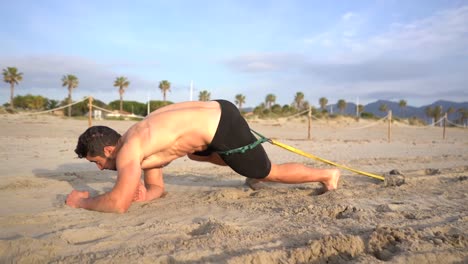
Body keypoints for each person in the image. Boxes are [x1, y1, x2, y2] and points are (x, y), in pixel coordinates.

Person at [66, 100, 340, 213]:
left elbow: (117, 204)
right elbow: (157, 186)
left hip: (221, 125)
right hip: (217, 111)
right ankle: (247, 165)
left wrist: (83, 201)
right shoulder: (136, 139)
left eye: (97, 162)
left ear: (109, 150)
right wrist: (147, 194)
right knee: (196, 155)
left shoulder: (128, 152)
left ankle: (327, 176)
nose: (101, 169)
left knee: (268, 172)